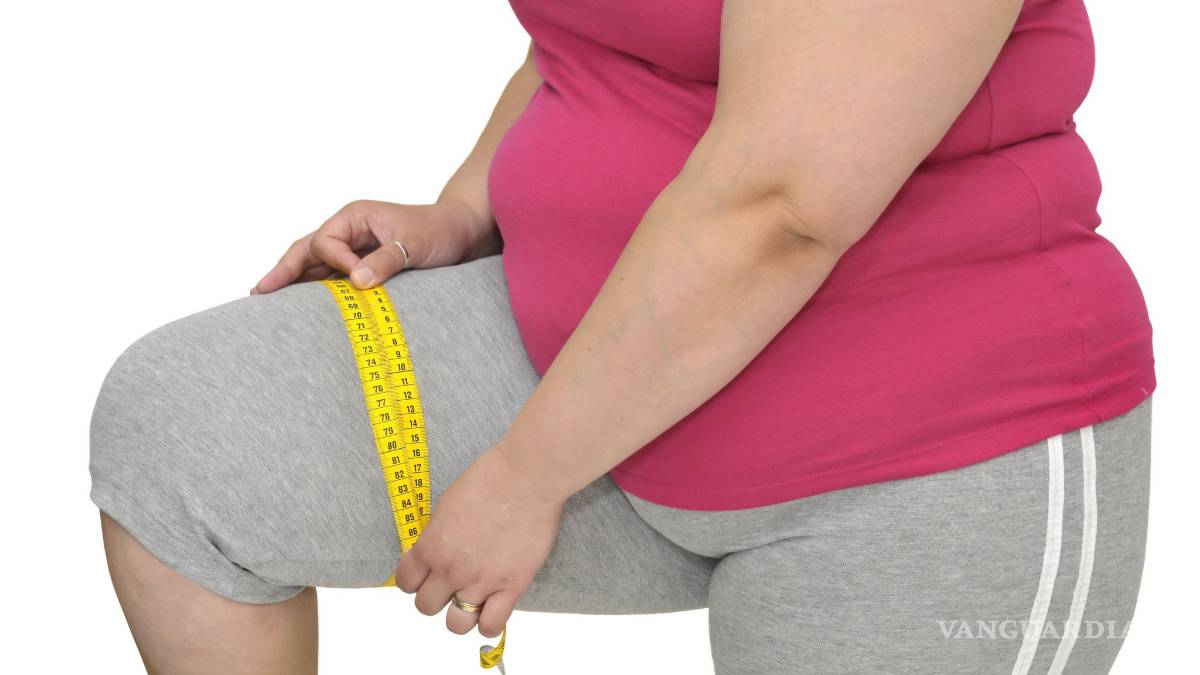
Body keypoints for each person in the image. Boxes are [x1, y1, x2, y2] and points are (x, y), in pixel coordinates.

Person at [89, 0, 1156, 673]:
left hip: (924, 454)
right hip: (596, 368)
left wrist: (526, 475)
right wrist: (466, 204)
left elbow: (781, 206)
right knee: (188, 442)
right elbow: (604, 32)